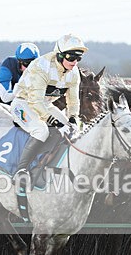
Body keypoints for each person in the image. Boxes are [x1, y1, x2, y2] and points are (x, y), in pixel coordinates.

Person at [10, 33, 85, 183]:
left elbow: (73, 101)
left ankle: (51, 163)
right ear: (59, 55)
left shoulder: (74, 73)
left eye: (79, 58)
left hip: (45, 104)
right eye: (71, 57)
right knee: (41, 130)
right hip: (24, 103)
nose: (75, 62)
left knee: (73, 132)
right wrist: (56, 123)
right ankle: (21, 170)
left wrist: (73, 119)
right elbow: (35, 102)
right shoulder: (41, 67)